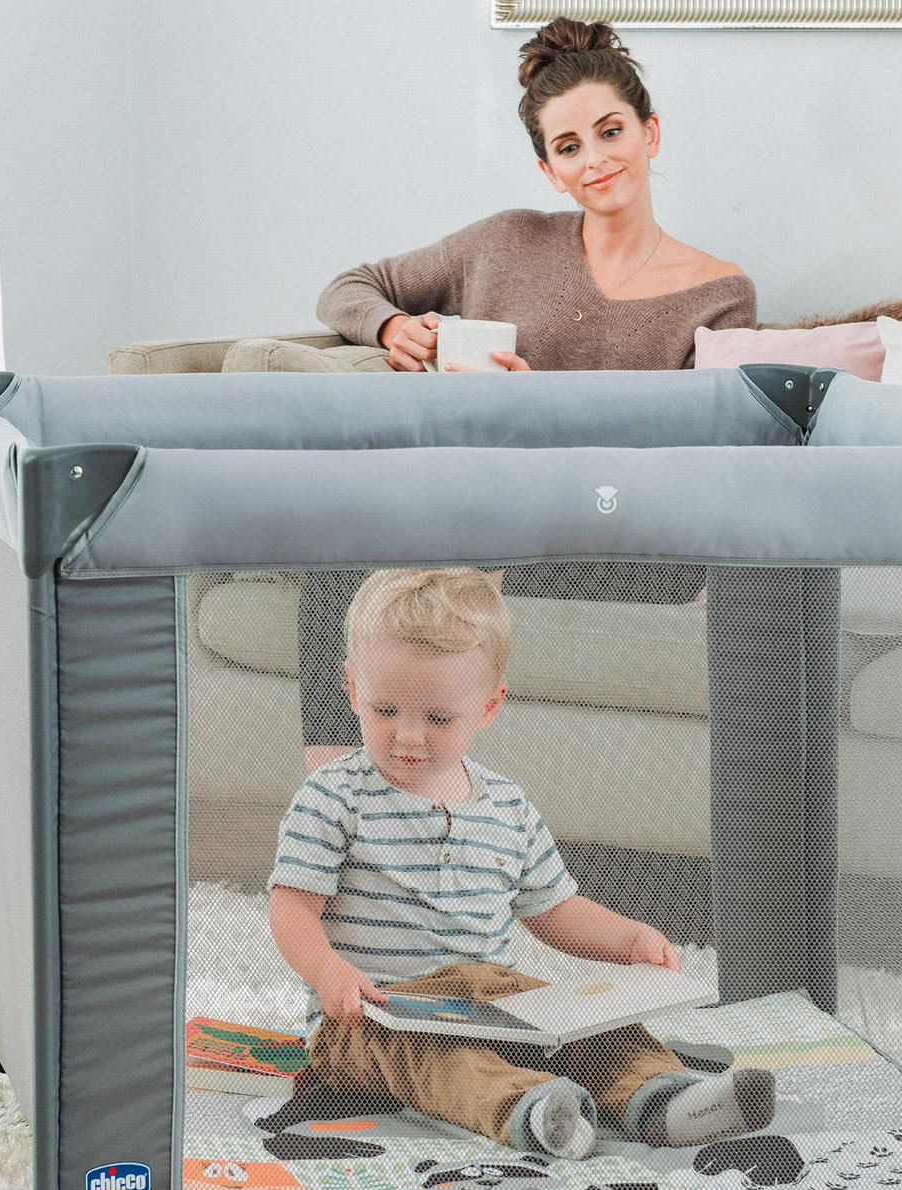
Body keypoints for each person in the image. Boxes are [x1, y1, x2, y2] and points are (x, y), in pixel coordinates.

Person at [300, 14, 757, 771]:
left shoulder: (719, 293)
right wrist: (391, 327)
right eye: (569, 147)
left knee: (417, 543)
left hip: (614, 525)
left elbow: (701, 452)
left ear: (650, 133)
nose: (596, 160)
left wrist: (546, 413)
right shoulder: (506, 241)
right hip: (478, 501)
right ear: (550, 170)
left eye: (611, 132)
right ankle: (333, 803)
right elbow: (349, 286)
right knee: (342, 534)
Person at [267, 567, 775, 1160]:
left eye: (437, 719)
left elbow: (555, 911)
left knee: (588, 1027)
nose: (407, 736)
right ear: (354, 690)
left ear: (489, 706)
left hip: (491, 1005)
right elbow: (291, 907)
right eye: (385, 711)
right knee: (444, 1064)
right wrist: (329, 972)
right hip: (372, 1018)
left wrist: (628, 939)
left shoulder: (507, 805)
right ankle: (534, 1111)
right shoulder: (334, 795)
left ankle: (666, 1100)